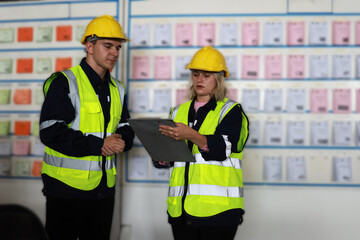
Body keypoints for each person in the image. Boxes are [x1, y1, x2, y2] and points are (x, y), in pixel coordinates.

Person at [39, 15, 134, 240]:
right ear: (89, 46)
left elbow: (125, 126)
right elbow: (51, 131)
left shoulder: (117, 88)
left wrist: (122, 139)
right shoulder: (65, 82)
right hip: (65, 189)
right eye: (108, 46)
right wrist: (101, 145)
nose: (115, 53)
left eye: (118, 48)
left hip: (104, 188)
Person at [157, 46, 249, 240]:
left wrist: (191, 134)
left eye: (206, 75)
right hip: (180, 211)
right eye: (196, 74)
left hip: (218, 213)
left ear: (219, 78)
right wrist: (161, 155)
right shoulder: (177, 112)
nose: (199, 79)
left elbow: (223, 149)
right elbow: (171, 159)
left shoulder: (230, 112)